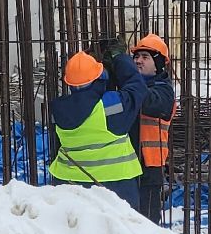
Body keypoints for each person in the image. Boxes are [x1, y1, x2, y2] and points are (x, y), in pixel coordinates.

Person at [46, 44, 145, 204]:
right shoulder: (109, 106)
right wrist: (121, 59)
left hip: (68, 184)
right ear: (100, 78)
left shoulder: (58, 110)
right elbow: (137, 88)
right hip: (116, 185)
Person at [128, 33, 177, 223]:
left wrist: (126, 73)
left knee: (147, 222)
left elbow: (145, 100)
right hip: (127, 163)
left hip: (150, 167)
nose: (138, 61)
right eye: (136, 56)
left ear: (158, 63)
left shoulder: (164, 91)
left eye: (145, 57)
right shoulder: (131, 85)